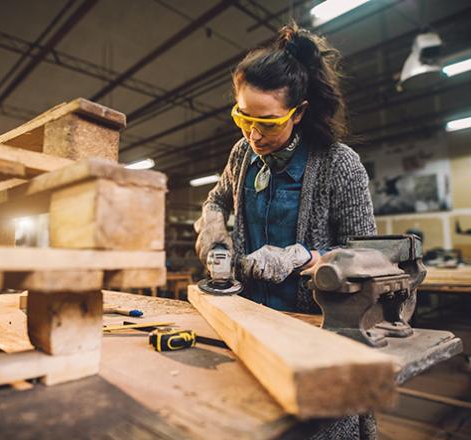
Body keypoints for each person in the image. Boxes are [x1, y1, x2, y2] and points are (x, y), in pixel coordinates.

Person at [194, 23, 377, 439]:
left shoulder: (338, 164)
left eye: (269, 123)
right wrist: (213, 226)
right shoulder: (242, 154)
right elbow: (217, 199)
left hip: (312, 337)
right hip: (245, 328)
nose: (254, 134)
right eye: (243, 117)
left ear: (298, 112)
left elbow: (369, 257)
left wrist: (305, 258)